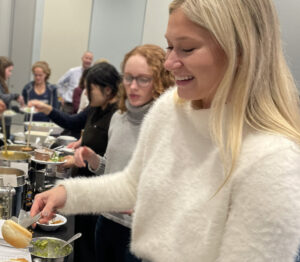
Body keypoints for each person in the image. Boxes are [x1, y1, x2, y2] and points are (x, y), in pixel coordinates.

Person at [31, 0, 300, 261]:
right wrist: (68, 194)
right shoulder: (171, 109)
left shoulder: (271, 159)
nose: (169, 62)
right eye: (169, 46)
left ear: (240, 51)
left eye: (187, 49)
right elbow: (135, 184)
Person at [73, 44, 174, 262]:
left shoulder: (169, 125)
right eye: (128, 78)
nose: (133, 86)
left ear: (160, 80)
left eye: (142, 79)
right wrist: (93, 159)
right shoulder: (118, 118)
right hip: (106, 220)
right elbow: (110, 169)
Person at [29, 62, 121, 262]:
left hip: (98, 194)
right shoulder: (96, 108)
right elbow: (72, 122)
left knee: (89, 249)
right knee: (81, 245)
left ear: (107, 89)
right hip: (82, 188)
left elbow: (110, 162)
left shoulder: (117, 116)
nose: (86, 93)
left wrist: (79, 156)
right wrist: (48, 109)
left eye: (90, 89)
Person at [0, 56, 24, 138]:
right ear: (2, 70)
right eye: (9, 71)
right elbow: (2, 98)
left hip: (5, 121)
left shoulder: (3, 83)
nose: (11, 74)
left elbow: (5, 105)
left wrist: (16, 109)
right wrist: (15, 96)